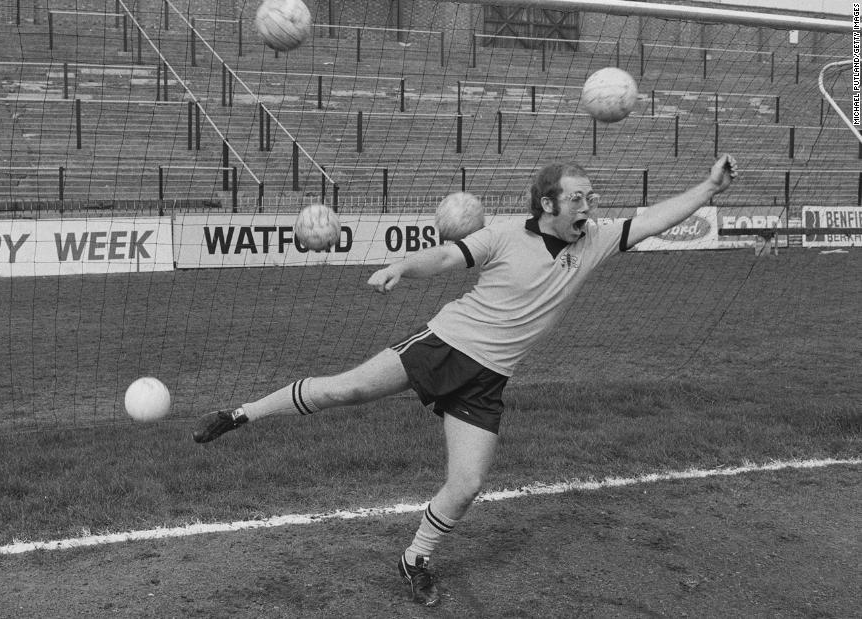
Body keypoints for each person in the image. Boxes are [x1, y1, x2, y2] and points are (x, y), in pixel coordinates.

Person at [192, 154, 738, 606]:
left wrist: (709, 187)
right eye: (578, 198)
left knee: (467, 484)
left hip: (487, 382)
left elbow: (655, 217)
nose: (589, 207)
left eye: (591, 198)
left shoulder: (593, 240)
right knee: (346, 389)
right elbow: (448, 257)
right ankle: (238, 414)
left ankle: (416, 558)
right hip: (444, 346)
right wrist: (402, 267)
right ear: (548, 203)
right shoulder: (502, 236)